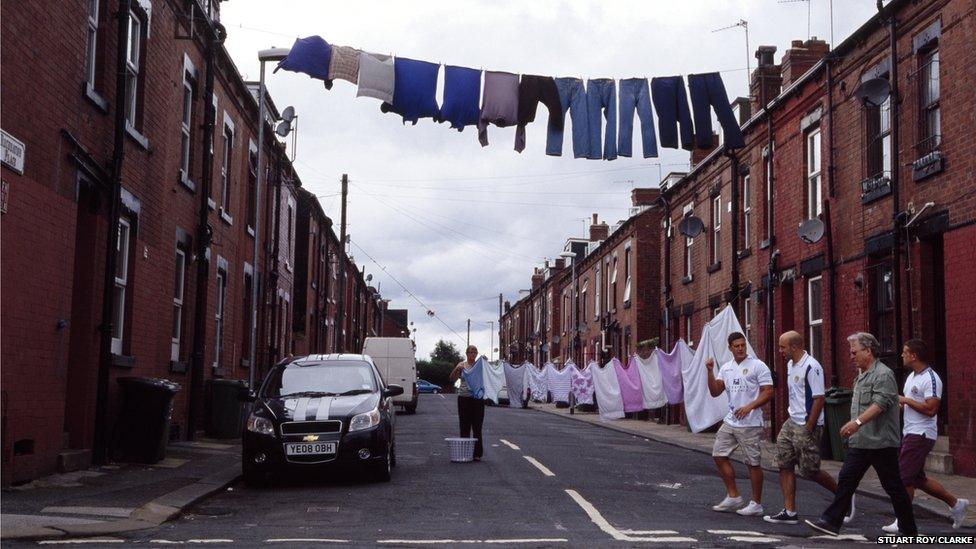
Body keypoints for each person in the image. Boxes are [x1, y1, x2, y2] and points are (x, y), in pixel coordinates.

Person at [805, 333, 917, 537]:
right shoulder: (862, 375)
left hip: (881, 442)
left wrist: (856, 423)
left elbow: (880, 404)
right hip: (862, 442)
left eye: (854, 352)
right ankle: (831, 522)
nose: (851, 356)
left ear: (868, 351)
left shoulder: (883, 374)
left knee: (893, 487)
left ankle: (909, 529)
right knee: (847, 479)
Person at [764, 331, 855, 525]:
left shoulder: (812, 367)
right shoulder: (790, 365)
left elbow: (819, 398)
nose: (780, 351)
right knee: (784, 463)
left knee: (810, 470)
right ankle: (789, 512)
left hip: (807, 423)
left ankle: (844, 496)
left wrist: (809, 426)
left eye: (782, 347)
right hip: (791, 422)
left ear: (794, 347)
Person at [882, 339, 968, 532]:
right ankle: (956, 504)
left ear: (914, 355)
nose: (902, 355)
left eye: (905, 352)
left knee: (903, 477)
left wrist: (906, 400)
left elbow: (931, 410)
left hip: (921, 433)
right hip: (910, 432)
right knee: (917, 478)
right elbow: (910, 404)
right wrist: (896, 405)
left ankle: (902, 520)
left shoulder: (931, 378)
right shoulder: (911, 377)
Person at [705, 332, 774, 516]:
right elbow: (715, 392)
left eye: (743, 345)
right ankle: (733, 496)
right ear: (730, 348)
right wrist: (709, 371)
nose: (741, 348)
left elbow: (768, 392)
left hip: (750, 423)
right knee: (719, 454)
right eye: (737, 346)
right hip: (731, 420)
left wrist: (749, 407)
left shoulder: (758, 365)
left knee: (753, 463)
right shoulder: (726, 368)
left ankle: (756, 503)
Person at [450, 345, 485, 461]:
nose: (472, 354)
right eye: (470, 352)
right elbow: (451, 379)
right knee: (464, 425)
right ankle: (465, 452)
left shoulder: (480, 366)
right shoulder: (462, 365)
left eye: (475, 352)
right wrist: (456, 370)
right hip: (464, 398)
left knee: (477, 426)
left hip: (477, 399)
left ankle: (477, 453)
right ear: (466, 354)